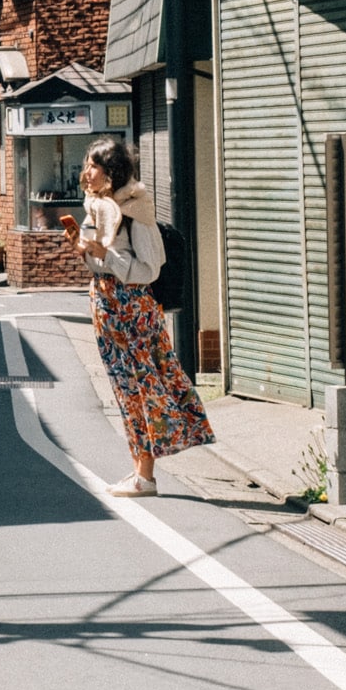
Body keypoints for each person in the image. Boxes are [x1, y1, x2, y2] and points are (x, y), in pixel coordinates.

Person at [76, 137, 213, 497]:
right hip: (109, 307)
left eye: (93, 166)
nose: (85, 172)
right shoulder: (99, 207)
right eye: (87, 165)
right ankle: (140, 471)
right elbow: (101, 261)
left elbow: (149, 268)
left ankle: (146, 475)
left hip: (132, 310)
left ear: (111, 173)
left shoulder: (137, 211)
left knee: (142, 388)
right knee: (126, 390)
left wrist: (104, 252)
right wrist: (88, 250)